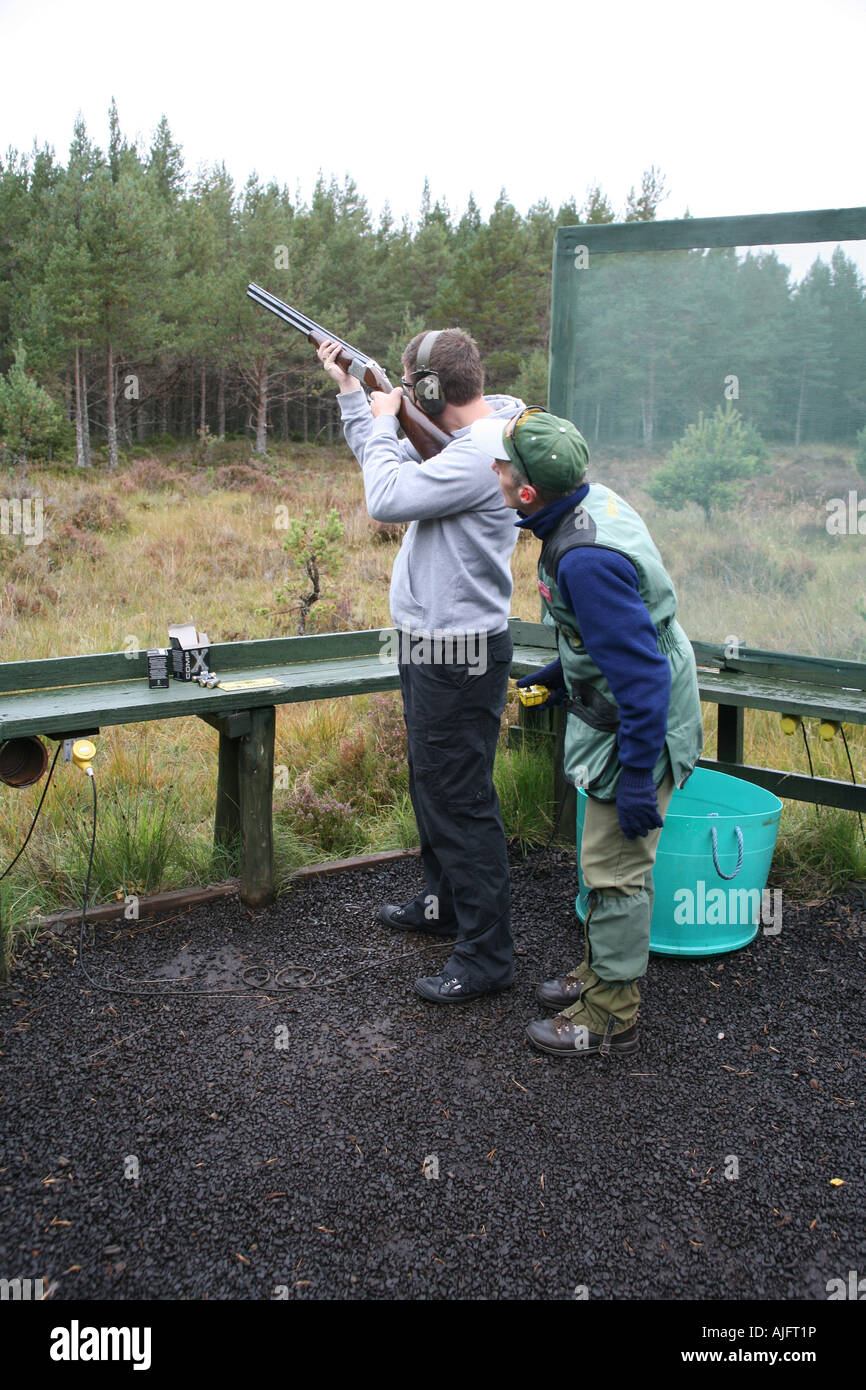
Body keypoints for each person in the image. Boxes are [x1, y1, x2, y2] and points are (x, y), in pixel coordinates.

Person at [471, 407, 704, 1057]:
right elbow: (612, 632)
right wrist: (559, 670)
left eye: (502, 464)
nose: (492, 469)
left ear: (525, 492)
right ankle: (601, 969)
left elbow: (641, 676)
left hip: (643, 717)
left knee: (617, 868)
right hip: (628, 699)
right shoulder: (588, 500)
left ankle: (610, 1011)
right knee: (605, 861)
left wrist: (637, 775)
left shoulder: (584, 558)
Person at [318, 329, 525, 1003]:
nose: (404, 395)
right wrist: (357, 395)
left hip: (456, 650)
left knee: (460, 801)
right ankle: (443, 905)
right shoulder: (467, 440)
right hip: (432, 641)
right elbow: (388, 462)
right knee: (433, 785)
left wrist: (383, 418)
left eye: (412, 386)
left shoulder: (480, 454)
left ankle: (486, 957)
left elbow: (385, 498)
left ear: (432, 390)